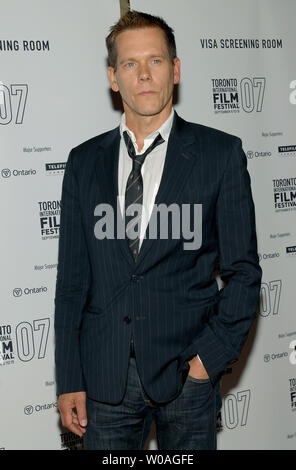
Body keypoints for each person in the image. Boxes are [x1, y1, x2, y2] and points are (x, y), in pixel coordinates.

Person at [54, 10, 262, 450]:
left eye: (156, 61)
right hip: (103, 380)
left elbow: (244, 272)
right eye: (130, 64)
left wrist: (207, 361)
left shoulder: (220, 155)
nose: (144, 75)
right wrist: (69, 377)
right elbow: (71, 284)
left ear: (176, 69)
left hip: (188, 375)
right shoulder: (83, 163)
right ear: (113, 77)